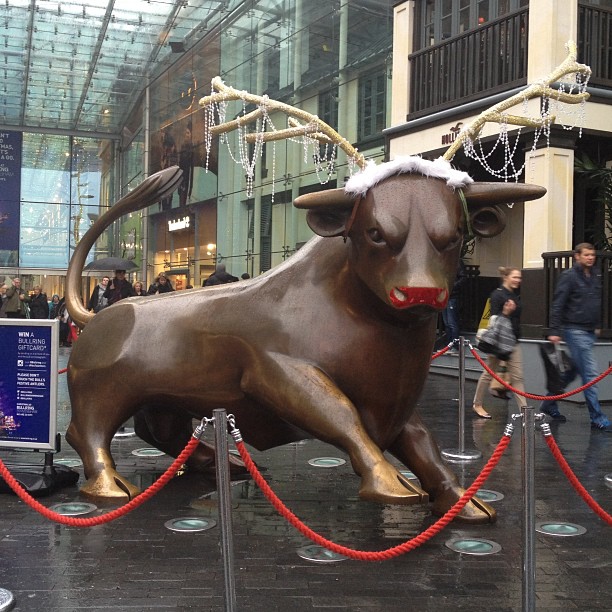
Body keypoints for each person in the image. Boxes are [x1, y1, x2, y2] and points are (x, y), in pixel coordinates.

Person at [541, 243, 610, 431]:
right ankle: (597, 417)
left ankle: (548, 402)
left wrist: (596, 325)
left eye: (592, 255)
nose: (590, 257)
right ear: (577, 256)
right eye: (586, 255)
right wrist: (554, 331)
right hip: (574, 329)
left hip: (588, 330)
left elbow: (595, 300)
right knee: (590, 374)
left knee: (574, 372)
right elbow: (558, 304)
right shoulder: (569, 276)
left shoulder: (595, 274)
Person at [472, 266, 527, 419]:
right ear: (506, 277)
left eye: (519, 278)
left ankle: (524, 411)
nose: (518, 280)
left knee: (517, 378)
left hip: (513, 341)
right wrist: (506, 313)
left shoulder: (514, 295)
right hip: (498, 342)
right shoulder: (497, 295)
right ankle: (477, 404)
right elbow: (494, 320)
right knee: (488, 374)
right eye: (515, 277)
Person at [442, 259, 466, 349]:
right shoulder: (449, 261)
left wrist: (452, 287)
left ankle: (453, 345)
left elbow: (463, 277)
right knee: (448, 323)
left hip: (451, 295)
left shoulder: (456, 261)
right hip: (445, 295)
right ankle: (449, 345)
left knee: (451, 322)